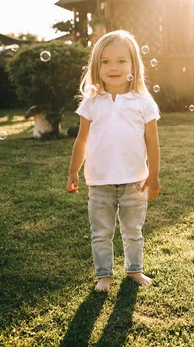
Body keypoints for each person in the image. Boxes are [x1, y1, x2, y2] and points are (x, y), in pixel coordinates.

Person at [65, 30, 161, 292]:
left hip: (135, 181)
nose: (113, 67)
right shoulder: (92, 102)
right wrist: (74, 171)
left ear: (133, 65)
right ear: (96, 67)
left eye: (121, 61)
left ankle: (134, 271)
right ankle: (104, 276)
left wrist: (153, 175)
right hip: (99, 182)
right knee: (101, 233)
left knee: (133, 232)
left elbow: (152, 142)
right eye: (105, 61)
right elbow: (82, 139)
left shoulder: (143, 101)